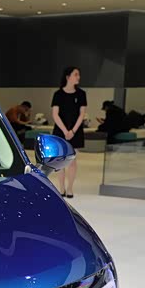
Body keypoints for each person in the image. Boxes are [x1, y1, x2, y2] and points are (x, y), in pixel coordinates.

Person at [51, 66, 87, 198]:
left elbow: (82, 114)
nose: (78, 77)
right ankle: (61, 188)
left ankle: (70, 188)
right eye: (75, 74)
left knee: (72, 160)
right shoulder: (58, 94)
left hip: (75, 131)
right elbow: (55, 114)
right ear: (68, 77)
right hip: (60, 130)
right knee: (60, 161)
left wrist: (72, 131)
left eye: (79, 75)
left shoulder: (81, 94)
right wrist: (65, 131)